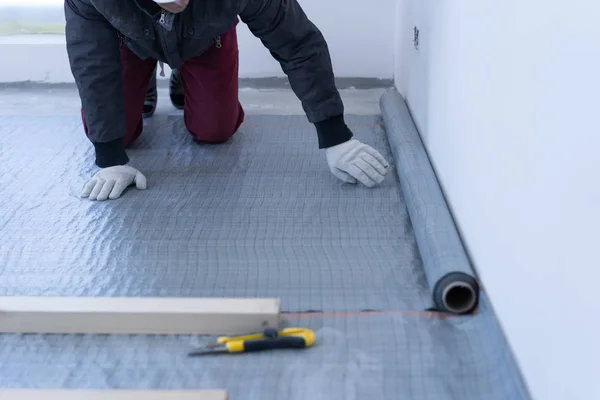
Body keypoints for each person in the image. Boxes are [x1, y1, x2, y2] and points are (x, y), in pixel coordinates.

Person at [65, 0, 390, 201]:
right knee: (118, 136)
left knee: (215, 130)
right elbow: (92, 63)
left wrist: (335, 136)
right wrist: (109, 158)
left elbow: (298, 44)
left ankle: (184, 72)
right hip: (127, 39)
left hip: (204, 37)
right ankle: (146, 75)